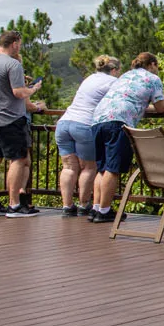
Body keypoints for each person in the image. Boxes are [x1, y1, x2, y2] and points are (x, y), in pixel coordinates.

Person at [88, 52, 164, 224]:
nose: (157, 70)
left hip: (98, 119)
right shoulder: (152, 79)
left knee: (102, 168)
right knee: (113, 168)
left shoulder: (125, 76)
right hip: (118, 121)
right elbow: (161, 107)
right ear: (152, 64)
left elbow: (134, 101)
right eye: (157, 66)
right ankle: (105, 211)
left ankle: (96, 208)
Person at [0, 30, 46, 217]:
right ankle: (14, 205)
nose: (19, 48)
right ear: (14, 43)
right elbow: (18, 93)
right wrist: (33, 89)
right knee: (18, 159)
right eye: (20, 44)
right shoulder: (12, 64)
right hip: (11, 119)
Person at [55, 56, 121, 217]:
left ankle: (67, 206)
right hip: (84, 124)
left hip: (64, 123)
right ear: (114, 70)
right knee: (89, 167)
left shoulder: (89, 78)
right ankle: (84, 205)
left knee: (68, 167)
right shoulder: (112, 82)